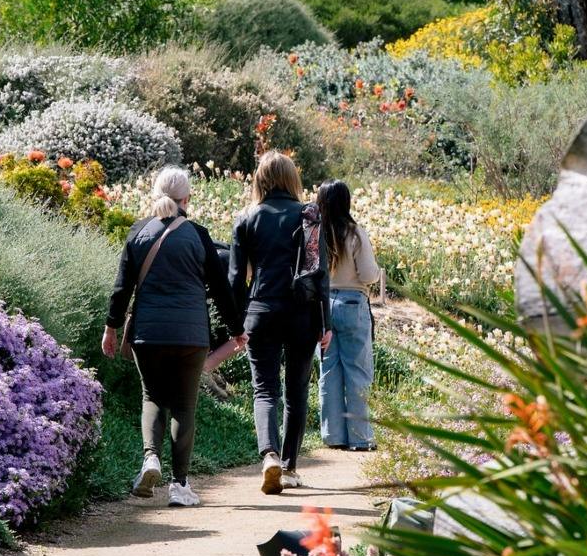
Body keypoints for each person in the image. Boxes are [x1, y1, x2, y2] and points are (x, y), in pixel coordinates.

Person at [104, 166, 245, 507]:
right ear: (188, 199)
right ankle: (180, 486)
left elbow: (122, 287)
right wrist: (237, 330)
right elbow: (222, 289)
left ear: (154, 196)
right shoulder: (198, 234)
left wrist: (111, 327)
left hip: (147, 333)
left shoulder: (138, 232)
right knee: (184, 404)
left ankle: (150, 458)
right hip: (190, 334)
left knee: (152, 396)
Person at [229, 151, 330, 495]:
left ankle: (269, 454)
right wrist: (325, 323)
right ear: (292, 179)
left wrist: (235, 323)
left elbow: (234, 279)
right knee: (297, 391)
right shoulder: (309, 215)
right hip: (301, 313)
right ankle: (288, 467)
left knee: (264, 389)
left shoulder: (247, 218)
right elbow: (320, 273)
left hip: (261, 309)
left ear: (260, 179)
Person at [315, 180, 382, 451]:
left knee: (328, 370)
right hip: (353, 303)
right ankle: (360, 437)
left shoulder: (317, 232)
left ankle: (333, 435)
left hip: (323, 305)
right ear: (347, 201)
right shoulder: (354, 233)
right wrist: (376, 274)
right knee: (357, 370)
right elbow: (368, 274)